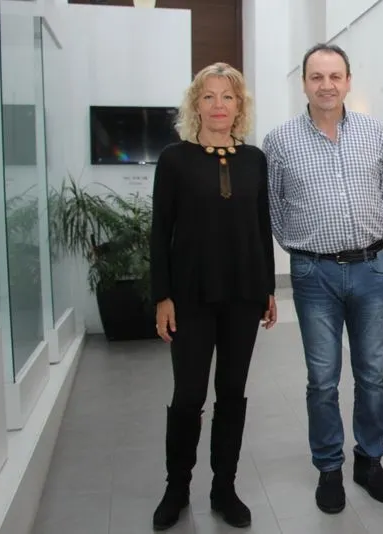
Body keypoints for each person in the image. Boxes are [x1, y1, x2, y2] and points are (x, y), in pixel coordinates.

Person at [262, 43, 383, 515]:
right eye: (317, 77)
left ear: (348, 80)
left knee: (374, 375)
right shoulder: (279, 141)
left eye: (334, 76)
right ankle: (328, 468)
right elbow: (274, 210)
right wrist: (306, 249)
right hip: (313, 272)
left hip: (370, 268)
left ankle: (370, 461)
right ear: (303, 82)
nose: (326, 85)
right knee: (322, 379)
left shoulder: (375, 134)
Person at [148, 62, 277, 531]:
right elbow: (159, 232)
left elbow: (261, 228)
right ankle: (176, 487)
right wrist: (162, 297)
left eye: (228, 97)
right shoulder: (174, 159)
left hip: (244, 295)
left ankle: (225, 487)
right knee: (188, 396)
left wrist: (267, 288)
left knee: (233, 393)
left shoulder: (255, 159)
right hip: (190, 296)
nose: (219, 105)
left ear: (239, 106)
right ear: (195, 104)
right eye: (209, 97)